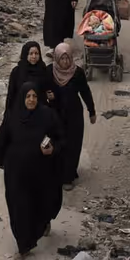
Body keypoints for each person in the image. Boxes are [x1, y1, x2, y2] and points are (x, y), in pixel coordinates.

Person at [0, 82, 64, 260]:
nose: (31, 100)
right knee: (17, 206)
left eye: (34, 96)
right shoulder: (12, 115)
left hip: (40, 171)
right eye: (28, 96)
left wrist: (52, 148)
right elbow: (2, 139)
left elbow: (61, 138)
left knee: (37, 205)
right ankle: (24, 245)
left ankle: (43, 223)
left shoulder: (47, 115)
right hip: (15, 171)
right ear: (22, 98)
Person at [48, 42, 97, 190]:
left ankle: (68, 177)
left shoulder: (77, 73)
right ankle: (57, 173)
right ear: (57, 58)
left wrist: (92, 111)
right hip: (55, 114)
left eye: (67, 58)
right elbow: (40, 87)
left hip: (74, 114)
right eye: (62, 59)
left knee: (73, 145)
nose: (65, 62)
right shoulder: (49, 71)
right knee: (57, 143)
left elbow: (85, 92)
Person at [5, 41, 50, 114]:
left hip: (39, 111)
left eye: (36, 53)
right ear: (25, 54)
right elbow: (11, 94)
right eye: (31, 53)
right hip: (20, 110)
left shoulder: (43, 70)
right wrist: (8, 113)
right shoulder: (17, 71)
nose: (34, 56)